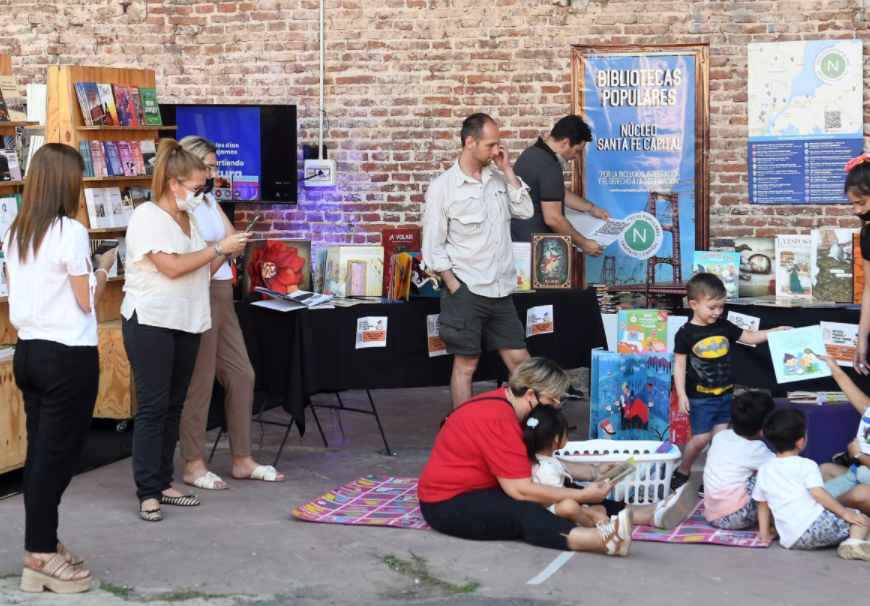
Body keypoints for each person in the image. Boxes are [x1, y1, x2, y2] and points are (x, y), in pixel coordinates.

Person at [418, 357, 697, 555]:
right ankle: (596, 539)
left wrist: (592, 472)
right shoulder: (497, 419)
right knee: (527, 509)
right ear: (530, 394)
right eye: (553, 400)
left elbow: (540, 461)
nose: (557, 407)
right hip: (448, 502)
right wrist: (583, 496)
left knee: (558, 486)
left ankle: (646, 514)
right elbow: (521, 490)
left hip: (486, 487)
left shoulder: (512, 408)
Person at [5, 143, 116, 593]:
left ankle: (43, 543)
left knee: (40, 455)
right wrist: (104, 268)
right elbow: (86, 299)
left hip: (28, 351)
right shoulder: (69, 231)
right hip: (67, 355)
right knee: (57, 458)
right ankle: (42, 555)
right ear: (67, 183)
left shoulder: (16, 230)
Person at [122, 139, 250, 522]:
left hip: (187, 320)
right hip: (151, 321)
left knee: (173, 406)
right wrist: (216, 249)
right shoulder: (146, 217)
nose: (202, 193)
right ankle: (147, 491)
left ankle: (163, 481)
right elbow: (174, 267)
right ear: (174, 184)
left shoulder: (189, 218)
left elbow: (199, 270)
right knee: (153, 407)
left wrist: (225, 251)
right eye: (197, 188)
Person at [177, 136, 283, 490]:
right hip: (200, 293)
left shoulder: (207, 198)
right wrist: (224, 249)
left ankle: (242, 459)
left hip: (222, 293)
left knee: (242, 375)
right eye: (206, 167)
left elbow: (228, 238)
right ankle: (193, 463)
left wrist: (224, 248)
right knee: (200, 383)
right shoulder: (181, 205)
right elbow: (199, 259)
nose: (211, 174)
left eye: (213, 167)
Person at [422, 113, 534, 409]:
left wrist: (509, 171)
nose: (497, 150)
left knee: (523, 365)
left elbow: (525, 211)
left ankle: (526, 427)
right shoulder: (442, 188)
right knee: (466, 366)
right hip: (467, 292)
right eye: (491, 144)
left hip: (502, 291)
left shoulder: (499, 179)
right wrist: (455, 286)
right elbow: (433, 248)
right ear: (470, 142)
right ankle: (464, 433)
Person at [672, 272, 789, 491]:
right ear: (694, 304)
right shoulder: (685, 333)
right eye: (712, 307)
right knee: (700, 439)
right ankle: (683, 470)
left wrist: (774, 332)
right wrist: (682, 395)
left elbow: (749, 337)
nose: (717, 312)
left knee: (720, 444)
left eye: (721, 307)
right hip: (700, 397)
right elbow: (679, 365)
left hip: (725, 395)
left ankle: (710, 483)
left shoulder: (724, 326)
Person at [754, 408, 870, 559]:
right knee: (862, 519)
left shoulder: (764, 469)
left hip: (790, 539)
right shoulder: (807, 465)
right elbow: (817, 493)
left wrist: (765, 534)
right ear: (801, 441)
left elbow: (762, 504)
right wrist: (845, 512)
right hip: (817, 526)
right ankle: (854, 543)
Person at [510, 115, 611, 258]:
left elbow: (554, 191)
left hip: (521, 243)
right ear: (565, 142)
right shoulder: (549, 166)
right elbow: (553, 218)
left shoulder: (531, 154)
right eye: (577, 150)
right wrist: (584, 243)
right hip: (536, 253)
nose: (576, 156)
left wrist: (591, 208)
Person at [523, 405, 610, 529]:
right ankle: (593, 528)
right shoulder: (545, 469)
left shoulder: (547, 460)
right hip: (549, 511)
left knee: (601, 508)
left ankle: (593, 521)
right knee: (569, 506)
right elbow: (555, 498)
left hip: (560, 505)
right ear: (557, 439)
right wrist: (590, 513)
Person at [702, 391, 775, 529]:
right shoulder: (756, 449)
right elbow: (783, 467)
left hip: (712, 514)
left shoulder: (720, 436)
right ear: (763, 430)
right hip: (738, 516)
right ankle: (776, 518)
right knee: (771, 475)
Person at [816, 356, 870, 514]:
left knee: (860, 494)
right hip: (862, 474)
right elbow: (864, 405)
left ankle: (824, 510)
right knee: (824, 470)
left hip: (864, 485)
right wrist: (835, 369)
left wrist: (858, 454)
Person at [845, 154, 870, 374]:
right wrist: (861, 339)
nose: (857, 211)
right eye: (853, 204)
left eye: (861, 203)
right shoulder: (867, 233)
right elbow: (869, 289)